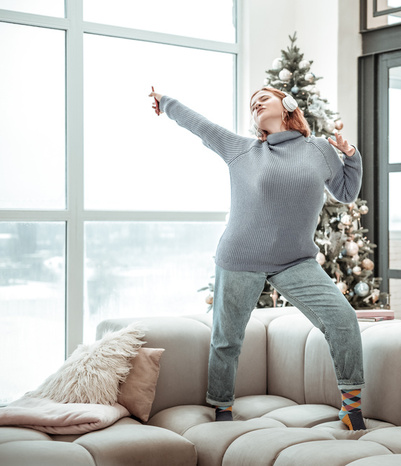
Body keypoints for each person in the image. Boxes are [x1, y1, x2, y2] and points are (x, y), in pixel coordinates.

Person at [148, 87, 367, 430]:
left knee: (343, 319)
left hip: (296, 261)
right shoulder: (242, 150)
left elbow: (346, 192)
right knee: (227, 339)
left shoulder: (320, 150)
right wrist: (167, 103)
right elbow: (200, 125)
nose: (257, 104)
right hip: (240, 256)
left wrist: (350, 155)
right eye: (252, 104)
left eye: (264, 98)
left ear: (288, 105)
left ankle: (351, 408)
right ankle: (222, 408)